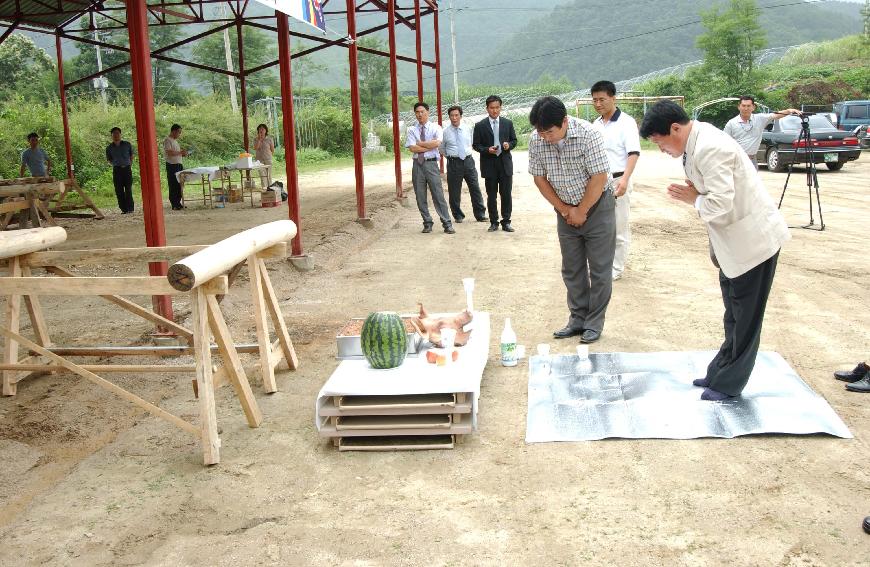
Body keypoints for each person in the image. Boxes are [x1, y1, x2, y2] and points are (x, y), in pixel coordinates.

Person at [639, 100, 791, 400]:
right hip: (732, 246)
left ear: (675, 128)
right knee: (733, 313)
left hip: (753, 243)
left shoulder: (710, 146)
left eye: (660, 142)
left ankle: (729, 384)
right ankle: (719, 371)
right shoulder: (694, 141)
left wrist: (693, 199)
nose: (661, 149)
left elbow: (720, 204)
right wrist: (697, 194)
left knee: (746, 318)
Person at [528, 96, 616, 345]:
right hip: (565, 210)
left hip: (598, 207)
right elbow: (539, 178)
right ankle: (577, 319)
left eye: (550, 131)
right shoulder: (537, 140)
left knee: (599, 268)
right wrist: (565, 209)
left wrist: (582, 210)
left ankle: (594, 323)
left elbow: (599, 177)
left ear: (565, 121)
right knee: (572, 268)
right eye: (540, 131)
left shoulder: (589, 134)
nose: (545, 136)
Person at [591, 80, 641, 281]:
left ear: (613, 98)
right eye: (594, 100)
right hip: (597, 182)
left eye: (602, 99)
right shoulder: (595, 124)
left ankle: (616, 268)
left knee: (619, 226)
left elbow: (633, 153)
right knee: (599, 227)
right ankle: (601, 265)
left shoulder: (626, 122)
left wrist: (625, 180)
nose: (598, 104)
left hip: (618, 179)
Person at [405, 102, 454, 234]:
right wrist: (428, 145)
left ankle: (447, 223)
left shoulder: (435, 127)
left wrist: (420, 143)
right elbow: (412, 148)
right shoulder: (411, 130)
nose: (420, 114)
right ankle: (427, 222)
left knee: (438, 194)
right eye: (417, 112)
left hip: (431, 164)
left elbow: (437, 143)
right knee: (420, 195)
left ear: (427, 112)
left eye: (422, 112)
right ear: (415, 114)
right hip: (417, 165)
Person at [473, 95, 517, 232]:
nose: (495, 111)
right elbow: (476, 145)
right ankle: (493, 222)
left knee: (506, 194)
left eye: (497, 107)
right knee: (491, 195)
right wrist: (487, 150)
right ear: (487, 109)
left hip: (505, 165)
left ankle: (506, 221)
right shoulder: (480, 125)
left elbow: (514, 140)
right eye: (492, 108)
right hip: (489, 165)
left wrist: (508, 145)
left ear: (501, 108)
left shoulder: (507, 123)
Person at [722, 96, 801, 168]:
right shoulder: (731, 123)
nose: (746, 108)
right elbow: (723, 143)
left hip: (752, 160)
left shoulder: (760, 118)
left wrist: (789, 110)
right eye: (743, 106)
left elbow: (776, 115)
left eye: (748, 106)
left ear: (753, 107)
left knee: (753, 183)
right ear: (739, 107)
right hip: (736, 160)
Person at [440, 105, 487, 224]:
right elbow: (442, 148)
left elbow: (472, 142)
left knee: (475, 188)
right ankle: (458, 215)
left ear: (461, 116)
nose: (454, 118)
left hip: (468, 161)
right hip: (454, 163)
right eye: (452, 115)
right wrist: (451, 157)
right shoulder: (445, 132)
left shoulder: (468, 128)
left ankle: (480, 214)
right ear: (449, 117)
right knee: (454, 190)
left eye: (456, 115)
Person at [105, 127, 136, 214]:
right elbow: (109, 160)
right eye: (114, 133)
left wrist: (129, 164)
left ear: (120, 134)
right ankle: (123, 209)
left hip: (127, 169)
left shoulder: (127, 144)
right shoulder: (109, 148)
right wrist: (116, 164)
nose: (116, 135)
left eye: (117, 133)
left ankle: (130, 208)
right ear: (111, 135)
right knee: (119, 190)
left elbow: (131, 156)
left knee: (128, 189)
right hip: (117, 170)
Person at [163, 123, 188, 210]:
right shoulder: (167, 140)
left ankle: (178, 202)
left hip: (178, 164)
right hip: (172, 165)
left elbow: (177, 153)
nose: (179, 134)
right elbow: (169, 153)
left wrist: (183, 154)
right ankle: (174, 204)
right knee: (173, 184)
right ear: (173, 131)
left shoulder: (175, 141)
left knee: (179, 184)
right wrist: (180, 152)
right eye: (179, 132)